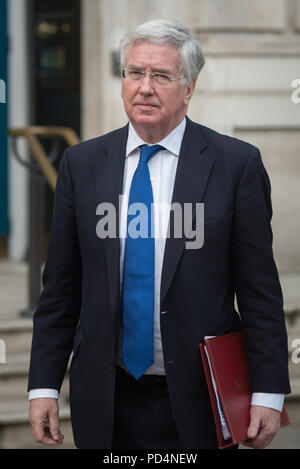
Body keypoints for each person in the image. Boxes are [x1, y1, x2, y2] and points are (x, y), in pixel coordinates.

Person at [28, 19, 290, 449]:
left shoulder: (235, 166)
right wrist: (43, 386)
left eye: (161, 76)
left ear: (188, 88)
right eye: (134, 72)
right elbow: (60, 289)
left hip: (199, 399)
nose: (144, 87)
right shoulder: (81, 164)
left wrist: (267, 391)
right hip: (106, 399)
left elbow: (260, 290)